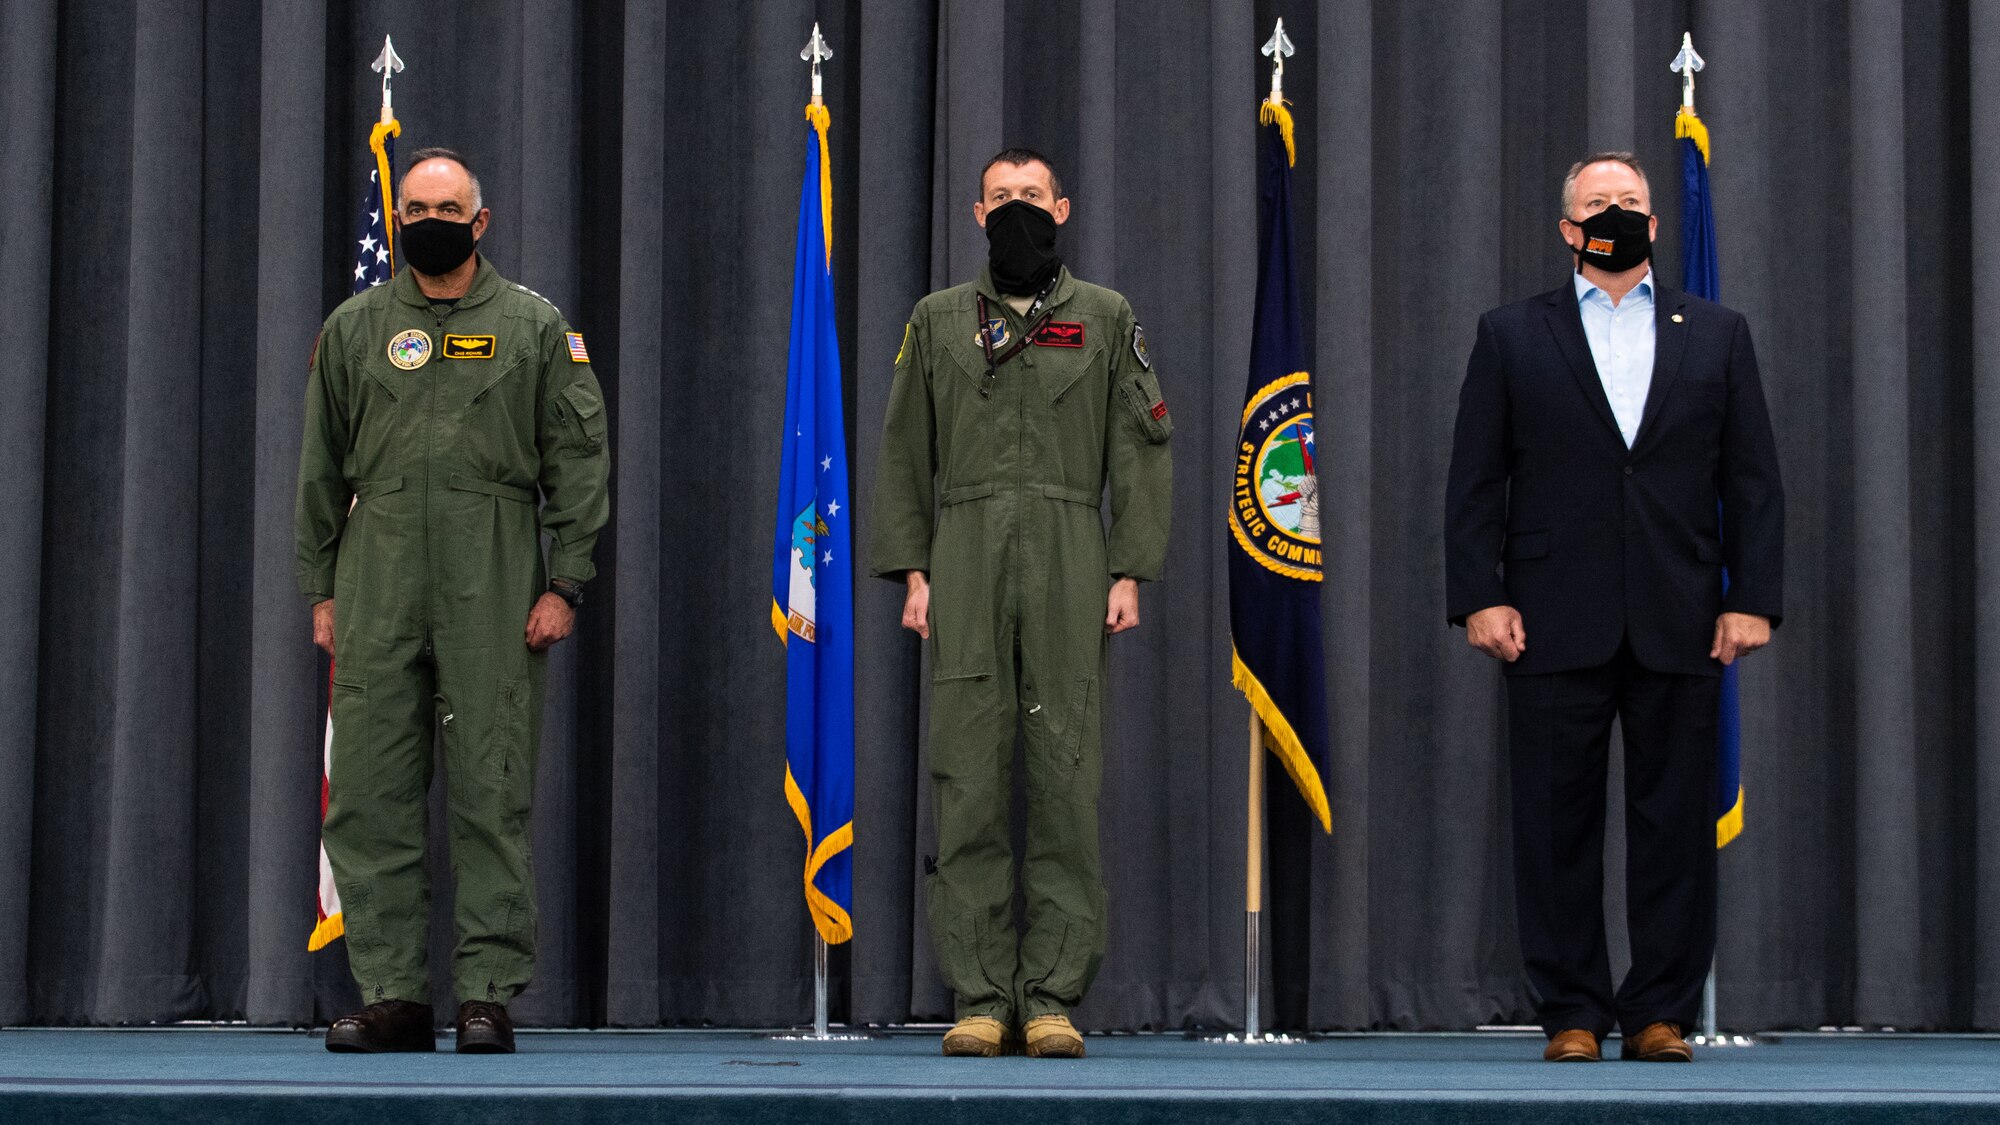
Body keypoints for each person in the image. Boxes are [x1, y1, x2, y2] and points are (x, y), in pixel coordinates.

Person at [1445, 152, 1784, 1063]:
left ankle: (1660, 1011)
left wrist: (1751, 598)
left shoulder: (1716, 332)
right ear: (1567, 229)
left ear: (1655, 224)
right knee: (1555, 824)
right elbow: (1477, 479)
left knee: (1674, 820)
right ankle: (1573, 1014)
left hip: (1684, 612)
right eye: (1597, 204)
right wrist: (1481, 594)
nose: (1615, 214)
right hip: (1550, 614)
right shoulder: (1513, 333)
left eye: (1630, 202)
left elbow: (1751, 480)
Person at [294, 148, 610, 1054]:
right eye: (415, 205)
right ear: (398, 220)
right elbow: (319, 467)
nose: (428, 218)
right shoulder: (354, 327)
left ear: (481, 221)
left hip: (495, 572)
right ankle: (392, 992)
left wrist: (565, 580)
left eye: (447, 206)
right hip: (377, 574)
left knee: (491, 787)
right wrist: (321, 588)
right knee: (370, 791)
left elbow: (579, 460)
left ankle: (485, 992)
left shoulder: (533, 327)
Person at [870, 148, 1173, 1058]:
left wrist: (1128, 569)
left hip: (1071, 555)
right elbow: (901, 452)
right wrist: (913, 572)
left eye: (1031, 198)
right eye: (1001, 198)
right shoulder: (935, 322)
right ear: (976, 213)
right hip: (962, 556)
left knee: (1064, 780)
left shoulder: (1106, 317)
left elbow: (1143, 447)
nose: (1016, 210)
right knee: (964, 779)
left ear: (1063, 207)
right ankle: (978, 994)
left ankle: (1049, 995)